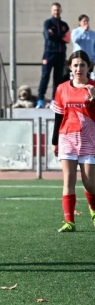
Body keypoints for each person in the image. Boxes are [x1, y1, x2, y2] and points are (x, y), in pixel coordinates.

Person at [51, 51, 95, 232]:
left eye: (82, 65)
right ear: (70, 67)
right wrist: (55, 141)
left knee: (89, 182)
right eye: (75, 65)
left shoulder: (94, 86)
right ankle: (69, 222)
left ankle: (93, 210)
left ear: (88, 67)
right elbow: (58, 116)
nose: (79, 68)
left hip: (89, 138)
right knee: (68, 179)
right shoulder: (62, 88)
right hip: (67, 137)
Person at [38, 2, 71, 107]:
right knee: (45, 76)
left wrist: (57, 35)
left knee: (58, 79)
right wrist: (61, 36)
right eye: (54, 10)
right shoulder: (47, 23)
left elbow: (68, 39)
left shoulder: (64, 25)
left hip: (60, 55)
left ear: (61, 11)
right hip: (49, 54)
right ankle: (40, 100)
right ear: (51, 11)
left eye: (58, 10)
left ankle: (55, 100)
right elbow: (48, 36)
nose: (56, 12)